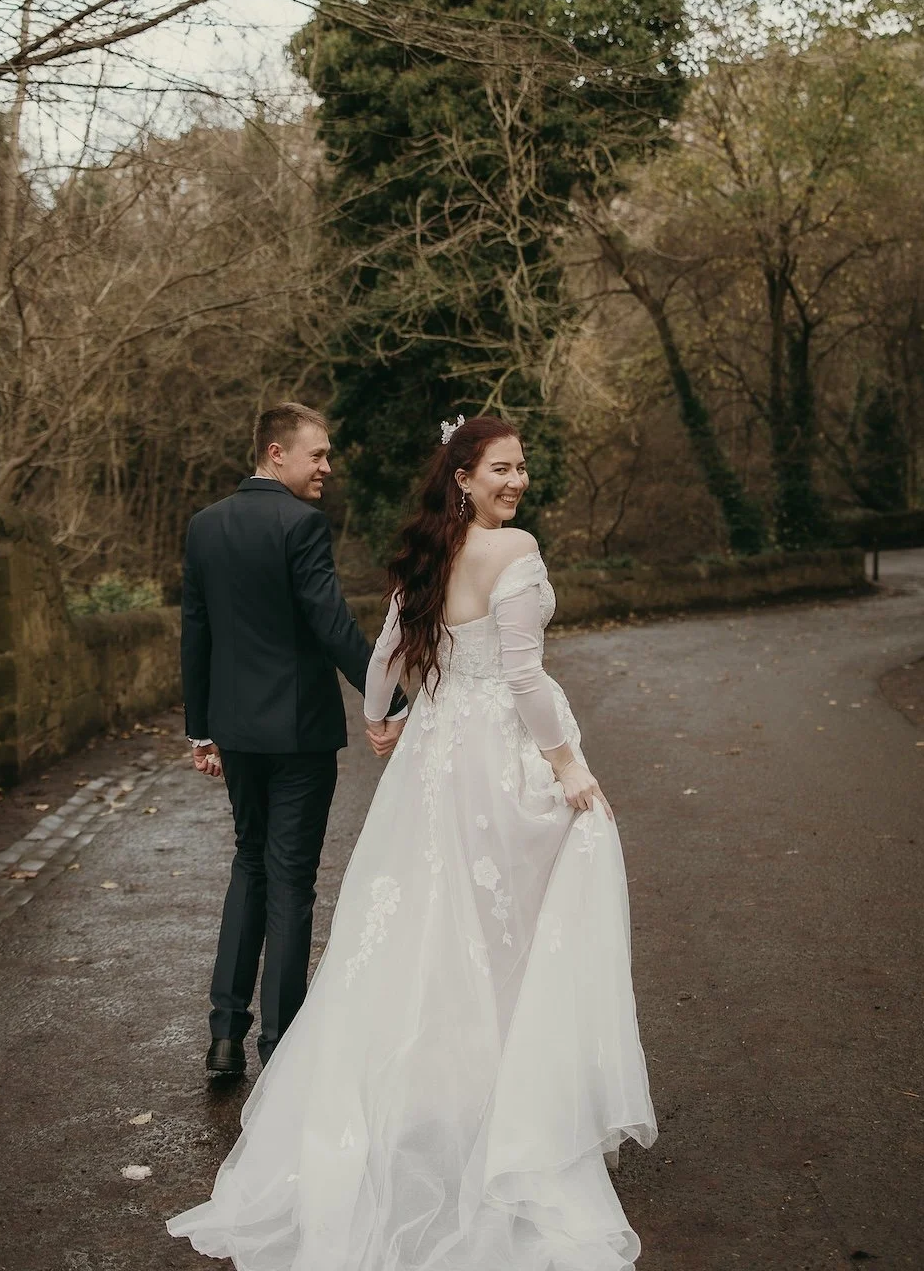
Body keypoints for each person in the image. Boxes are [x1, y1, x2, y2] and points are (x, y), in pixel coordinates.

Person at [169, 412, 656, 1270]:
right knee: (515, 915)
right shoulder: (514, 552)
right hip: (496, 760)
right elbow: (522, 675)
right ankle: (509, 1108)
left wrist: (381, 716)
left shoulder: (432, 548)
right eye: (502, 468)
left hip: (430, 759)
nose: (518, 482)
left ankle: (416, 1083)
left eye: (522, 469)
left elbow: (389, 648)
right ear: (464, 473)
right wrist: (569, 765)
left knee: (425, 923)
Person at [180, 401, 408, 1080]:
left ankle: (224, 1038)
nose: (327, 469)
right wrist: (389, 700)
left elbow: (196, 632)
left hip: (239, 733)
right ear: (276, 454)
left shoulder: (205, 526)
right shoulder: (302, 525)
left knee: (250, 864)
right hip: (300, 734)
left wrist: (202, 728)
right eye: (318, 455)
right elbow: (331, 624)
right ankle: (279, 1047)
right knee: (292, 881)